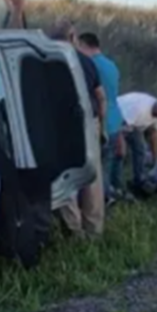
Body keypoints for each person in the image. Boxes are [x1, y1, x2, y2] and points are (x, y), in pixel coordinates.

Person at [49, 24, 105, 238]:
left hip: (62, 124)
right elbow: (101, 97)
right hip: (89, 121)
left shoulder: (48, 60)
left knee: (64, 175)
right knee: (92, 175)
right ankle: (94, 229)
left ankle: (73, 229)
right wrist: (101, 126)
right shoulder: (86, 62)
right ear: (73, 37)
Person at [75, 31, 125, 203]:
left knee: (96, 168)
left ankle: (101, 199)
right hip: (115, 120)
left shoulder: (89, 65)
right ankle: (110, 194)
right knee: (107, 163)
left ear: (83, 44)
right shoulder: (112, 65)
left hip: (101, 121)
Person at [118, 92, 157, 193]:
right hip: (118, 118)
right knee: (119, 152)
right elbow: (122, 126)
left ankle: (139, 180)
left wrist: (155, 160)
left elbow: (154, 135)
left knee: (141, 148)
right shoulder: (140, 108)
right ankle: (117, 184)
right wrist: (121, 144)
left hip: (133, 125)